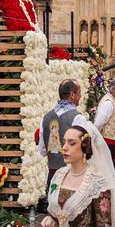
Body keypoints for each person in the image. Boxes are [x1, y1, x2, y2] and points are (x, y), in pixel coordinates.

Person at [38, 79, 83, 215]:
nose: (81, 95)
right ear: (72, 95)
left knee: (54, 213)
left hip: (53, 174)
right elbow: (83, 150)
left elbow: (42, 150)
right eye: (79, 92)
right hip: (72, 174)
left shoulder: (46, 118)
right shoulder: (77, 118)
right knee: (70, 213)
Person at [94, 77, 115, 160]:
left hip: (112, 142)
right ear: (113, 89)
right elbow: (99, 123)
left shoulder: (113, 100)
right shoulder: (108, 103)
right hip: (107, 142)